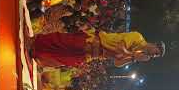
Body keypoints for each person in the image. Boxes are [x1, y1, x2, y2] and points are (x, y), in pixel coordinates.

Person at [30, 30, 165, 67]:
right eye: (155, 53)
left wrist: (133, 59)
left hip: (94, 55)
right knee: (62, 42)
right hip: (92, 42)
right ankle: (36, 41)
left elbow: (117, 63)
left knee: (65, 59)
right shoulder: (137, 37)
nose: (153, 56)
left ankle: (38, 52)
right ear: (154, 45)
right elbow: (119, 48)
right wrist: (133, 55)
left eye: (155, 56)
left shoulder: (137, 54)